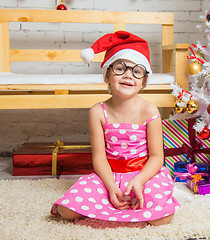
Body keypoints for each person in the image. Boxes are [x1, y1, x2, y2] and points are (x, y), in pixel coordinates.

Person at [50, 31, 180, 226]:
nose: (128, 75)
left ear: (143, 81)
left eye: (137, 71)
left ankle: (117, 208)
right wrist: (111, 186)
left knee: (163, 217)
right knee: (65, 210)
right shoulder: (97, 112)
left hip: (143, 174)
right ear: (107, 76)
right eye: (120, 68)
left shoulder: (150, 110)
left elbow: (156, 157)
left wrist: (139, 181)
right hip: (109, 175)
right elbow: (99, 157)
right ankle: (110, 203)